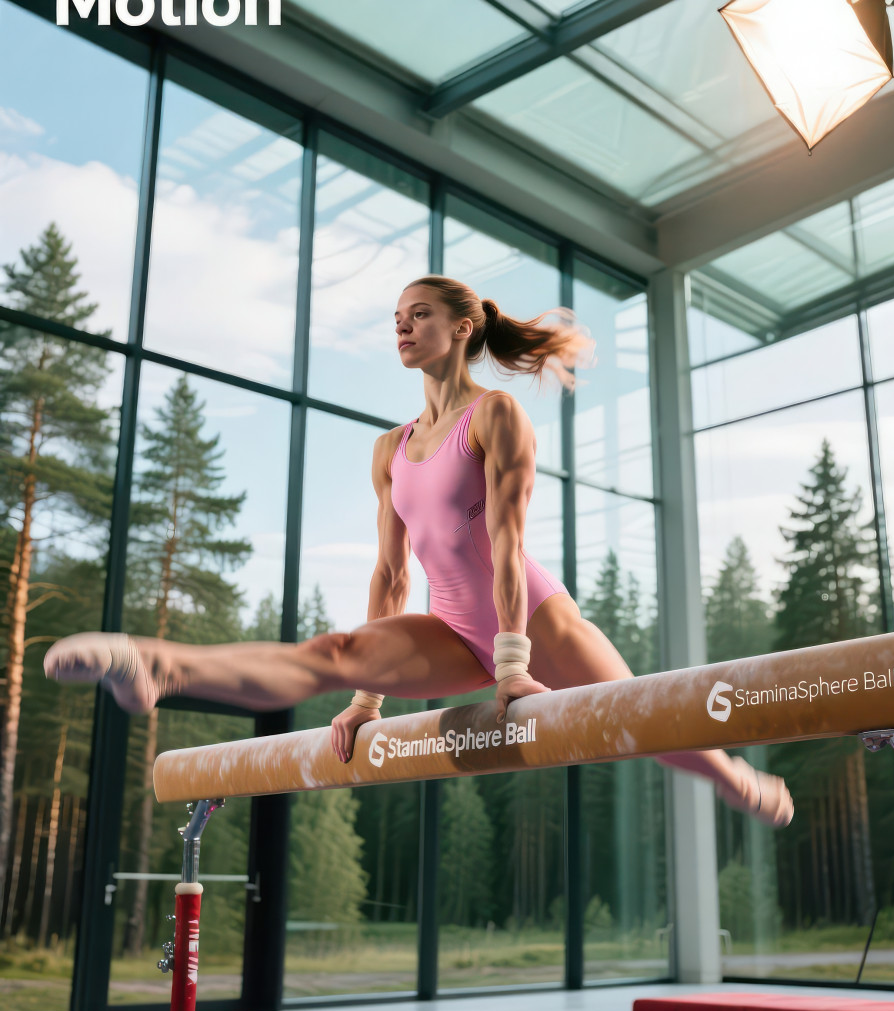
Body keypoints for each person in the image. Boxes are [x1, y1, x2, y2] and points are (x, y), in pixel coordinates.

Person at [44, 276, 793, 826]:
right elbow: (392, 571)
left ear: (464, 327)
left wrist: (513, 666)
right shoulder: (390, 448)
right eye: (396, 319)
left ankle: (730, 777)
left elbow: (507, 541)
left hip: (530, 621)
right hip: (450, 629)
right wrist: (366, 697)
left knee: (643, 727)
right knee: (333, 649)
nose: (402, 328)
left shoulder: (495, 416)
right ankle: (158, 666)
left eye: (420, 315)